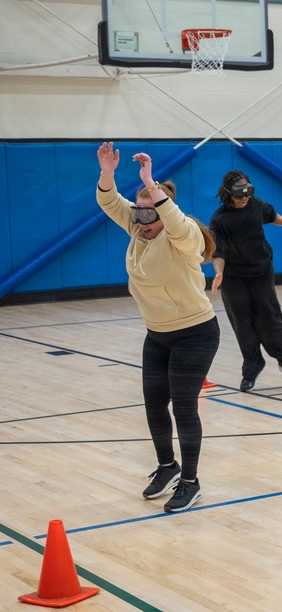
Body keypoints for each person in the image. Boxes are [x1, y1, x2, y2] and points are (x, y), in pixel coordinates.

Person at [96, 142, 220, 513]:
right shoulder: (137, 231)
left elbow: (179, 223)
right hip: (157, 335)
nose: (142, 215)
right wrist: (107, 173)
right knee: (154, 406)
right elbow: (110, 202)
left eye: (151, 208)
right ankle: (168, 468)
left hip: (195, 333)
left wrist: (152, 183)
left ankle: (191, 483)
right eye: (139, 209)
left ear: (164, 211)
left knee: (184, 407)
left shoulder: (184, 239)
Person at [209, 170, 282, 391]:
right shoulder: (219, 219)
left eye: (248, 192)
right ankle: (252, 367)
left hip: (261, 270)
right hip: (233, 277)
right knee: (242, 321)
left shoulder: (256, 205)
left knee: (269, 316)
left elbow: (271, 215)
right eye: (239, 194)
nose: (244, 197)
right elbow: (218, 252)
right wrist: (219, 273)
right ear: (228, 193)